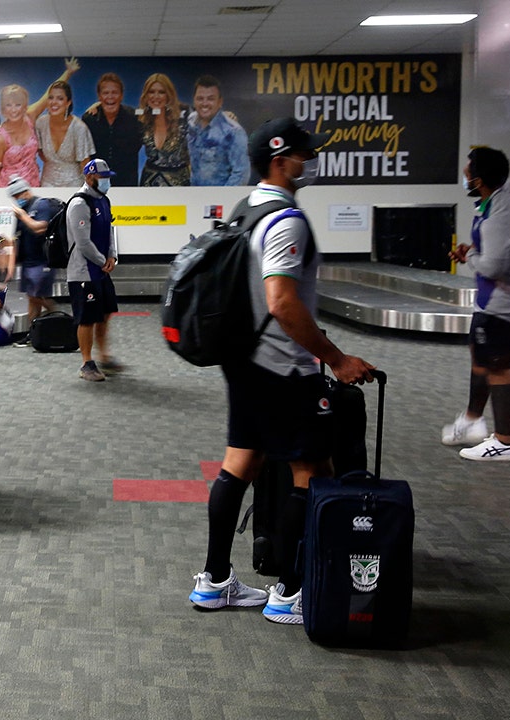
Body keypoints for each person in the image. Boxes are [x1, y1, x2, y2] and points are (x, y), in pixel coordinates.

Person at [188, 117, 375, 624]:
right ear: (280, 161)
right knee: (313, 471)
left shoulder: (246, 209)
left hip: (244, 361)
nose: (310, 161)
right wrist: (337, 359)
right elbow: (282, 301)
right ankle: (289, 591)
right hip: (283, 368)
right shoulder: (286, 221)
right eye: (303, 154)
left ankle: (214, 581)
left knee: (240, 464)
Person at [442, 147, 510, 462]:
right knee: (480, 359)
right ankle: (472, 420)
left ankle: (505, 442)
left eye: (468, 171)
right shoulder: (494, 200)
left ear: (479, 180)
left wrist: (470, 255)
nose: (465, 175)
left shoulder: (500, 214)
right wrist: (474, 250)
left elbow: (493, 267)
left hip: (504, 303)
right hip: (491, 299)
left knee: (498, 367)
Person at [66, 159, 122, 381]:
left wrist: (112, 255)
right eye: (103, 177)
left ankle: (103, 356)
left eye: (108, 177)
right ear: (89, 178)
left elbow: (109, 231)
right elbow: (83, 242)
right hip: (83, 271)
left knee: (105, 312)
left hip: (100, 270)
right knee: (87, 318)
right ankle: (86, 363)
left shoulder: (104, 201)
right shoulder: (79, 204)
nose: (107, 181)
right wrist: (102, 261)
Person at [4, 175, 64, 345]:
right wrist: (11, 266)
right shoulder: (22, 210)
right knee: (32, 299)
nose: (17, 199)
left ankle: (55, 314)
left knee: (34, 296)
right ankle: (33, 332)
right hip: (28, 262)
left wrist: (23, 216)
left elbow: (40, 228)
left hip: (42, 261)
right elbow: (16, 238)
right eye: (14, 197)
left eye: (18, 195)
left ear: (25, 191)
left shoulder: (41, 205)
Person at [186, 75, 249, 186]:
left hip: (220, 196)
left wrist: (223, 195)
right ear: (194, 100)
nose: (204, 103)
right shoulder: (191, 121)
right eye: (200, 98)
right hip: (193, 193)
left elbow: (241, 174)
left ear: (220, 102)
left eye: (210, 99)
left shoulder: (233, 132)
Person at [81, 73, 141, 186]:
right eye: (105, 93)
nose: (110, 96)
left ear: (121, 95)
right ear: (99, 96)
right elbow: (84, 155)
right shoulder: (89, 119)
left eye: (115, 92)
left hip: (127, 184)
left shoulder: (134, 118)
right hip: (97, 184)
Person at [36, 80, 96, 188]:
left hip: (74, 184)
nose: (54, 102)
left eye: (60, 98)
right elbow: (39, 151)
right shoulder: (40, 123)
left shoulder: (79, 128)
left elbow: (85, 163)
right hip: (47, 183)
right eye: (51, 98)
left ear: (68, 102)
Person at [138, 73, 191, 187]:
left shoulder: (185, 115)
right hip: (148, 184)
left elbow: (206, 114)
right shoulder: (142, 118)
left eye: (161, 92)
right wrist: (99, 106)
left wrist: (226, 115)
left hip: (179, 185)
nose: (156, 96)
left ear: (169, 95)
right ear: (146, 95)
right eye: (151, 92)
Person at [0, 84, 41, 188]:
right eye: (8, 105)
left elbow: (48, 95)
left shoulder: (30, 119)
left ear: (25, 107)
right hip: (9, 190)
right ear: (3, 109)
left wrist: (68, 74)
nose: (13, 110)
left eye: (18, 105)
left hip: (34, 186)